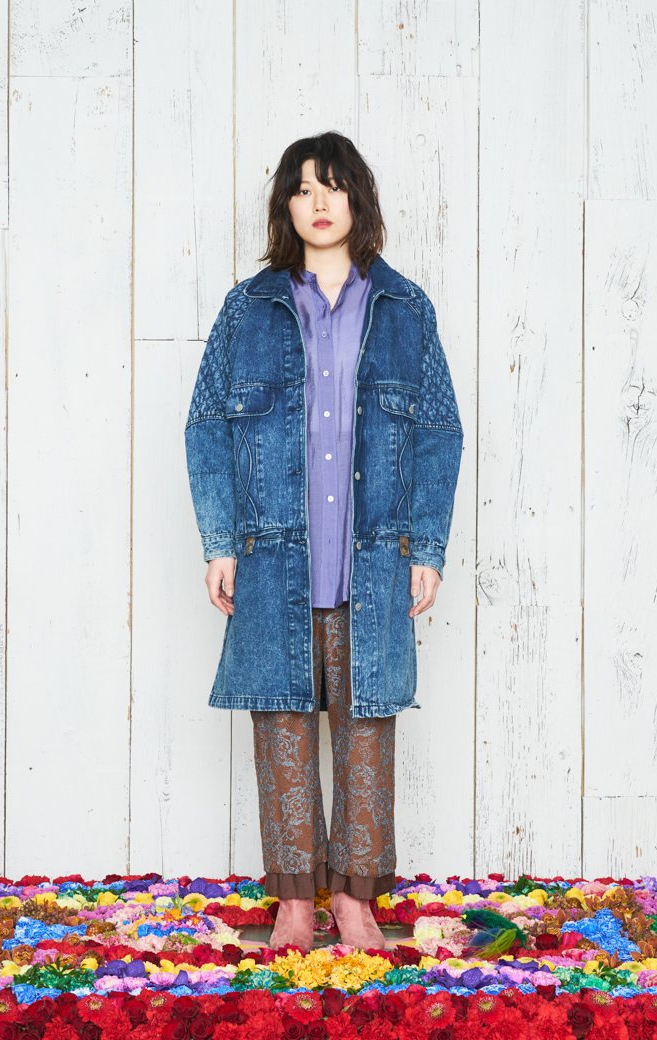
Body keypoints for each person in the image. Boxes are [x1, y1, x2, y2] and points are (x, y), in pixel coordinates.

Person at [184, 131, 463, 954]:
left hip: (373, 562)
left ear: (357, 200)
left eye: (332, 186)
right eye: (302, 188)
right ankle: (296, 904)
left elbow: (439, 434)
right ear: (286, 206)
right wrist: (220, 540)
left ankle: (355, 901)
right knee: (281, 728)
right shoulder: (248, 309)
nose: (318, 201)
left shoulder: (406, 310)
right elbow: (206, 426)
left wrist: (426, 547)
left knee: (367, 727)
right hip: (272, 561)